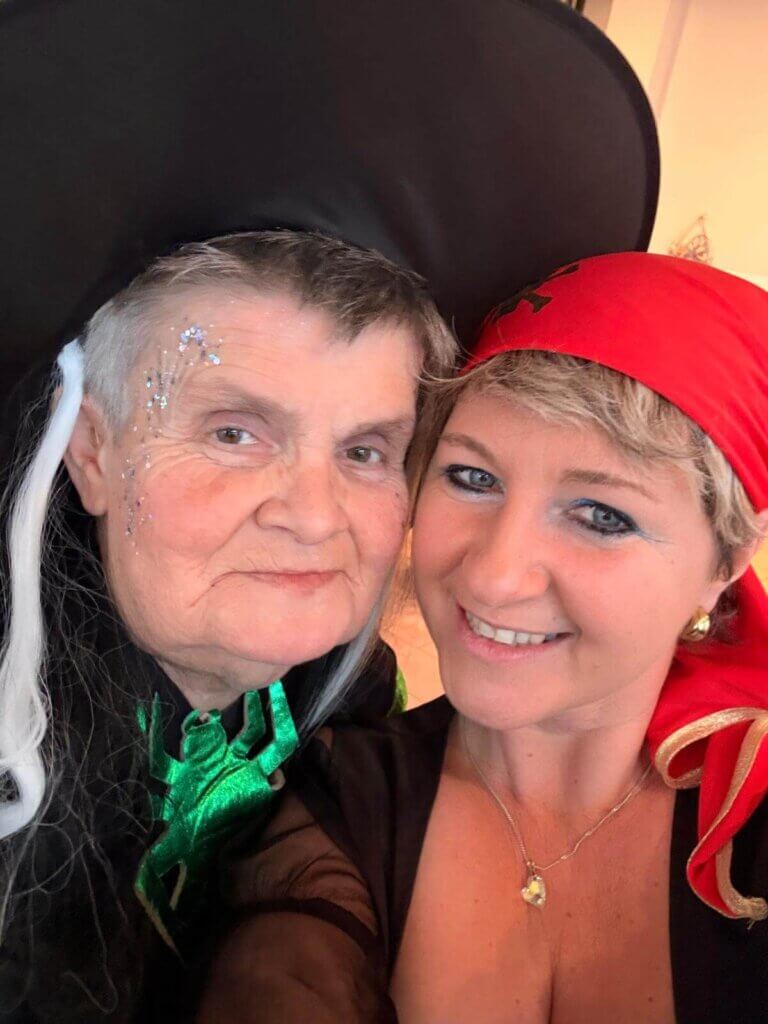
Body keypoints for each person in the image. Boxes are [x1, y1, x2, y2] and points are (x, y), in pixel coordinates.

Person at [0, 1, 658, 1020]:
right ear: (91, 451)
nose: (315, 518)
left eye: (364, 450)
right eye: (236, 432)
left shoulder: (352, 708)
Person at [200, 253, 768, 1024]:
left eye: (602, 516)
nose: (495, 578)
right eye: (472, 478)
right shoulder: (340, 796)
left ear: (724, 564)